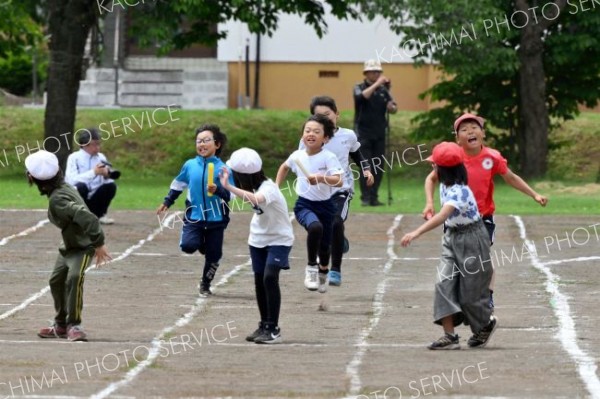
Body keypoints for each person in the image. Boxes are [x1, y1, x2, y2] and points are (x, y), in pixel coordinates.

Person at [422, 113, 548, 310]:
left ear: (483, 133)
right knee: (457, 261)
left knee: (483, 258)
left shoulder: (492, 157)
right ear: (457, 138)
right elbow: (431, 178)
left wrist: (534, 194)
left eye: (474, 127)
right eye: (463, 130)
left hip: (482, 219)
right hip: (455, 221)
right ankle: (458, 296)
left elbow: (511, 178)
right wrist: (429, 203)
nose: (470, 131)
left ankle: (487, 295)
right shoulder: (454, 158)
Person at [401, 142, 496, 350]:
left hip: (472, 239)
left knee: (470, 294)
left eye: (434, 165)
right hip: (452, 237)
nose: (432, 168)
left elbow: (443, 216)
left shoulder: (459, 192)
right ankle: (450, 336)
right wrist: (429, 203)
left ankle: (485, 324)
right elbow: (430, 180)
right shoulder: (444, 180)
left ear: (444, 169)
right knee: (442, 283)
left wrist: (416, 232)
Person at [26, 150, 112, 342]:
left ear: (32, 177)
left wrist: (98, 243)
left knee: (74, 277)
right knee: (56, 281)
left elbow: (87, 217)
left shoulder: (58, 198)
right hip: (68, 246)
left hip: (83, 247)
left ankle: (74, 324)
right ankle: (60, 324)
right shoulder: (60, 187)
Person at [219, 148, 294, 344]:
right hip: (257, 240)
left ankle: (273, 328)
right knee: (259, 281)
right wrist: (221, 188)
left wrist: (228, 186)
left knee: (270, 277)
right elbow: (237, 197)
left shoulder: (268, 187)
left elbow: (258, 200)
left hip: (279, 239)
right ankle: (264, 325)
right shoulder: (250, 187)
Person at [301, 95, 374, 286]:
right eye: (319, 116)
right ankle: (337, 241)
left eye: (328, 114)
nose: (325, 118)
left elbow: (357, 154)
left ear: (337, 115)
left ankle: (335, 270)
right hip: (317, 192)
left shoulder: (347, 136)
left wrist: (366, 170)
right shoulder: (308, 139)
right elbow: (300, 161)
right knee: (321, 228)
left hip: (341, 188)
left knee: (335, 221)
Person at [156, 124, 234, 297]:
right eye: (199, 141)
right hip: (194, 216)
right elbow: (178, 184)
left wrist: (219, 190)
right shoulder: (190, 165)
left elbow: (232, 195)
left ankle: (205, 284)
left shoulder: (224, 169)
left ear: (217, 144)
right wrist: (167, 201)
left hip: (217, 218)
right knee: (188, 246)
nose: (202, 144)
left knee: (214, 256)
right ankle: (201, 243)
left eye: (207, 140)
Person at [276, 114, 343, 293]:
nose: (311, 134)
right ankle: (311, 268)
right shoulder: (297, 155)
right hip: (304, 205)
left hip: (327, 206)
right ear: (302, 135)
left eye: (316, 131)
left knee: (325, 247)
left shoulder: (328, 157)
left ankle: (323, 270)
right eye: (307, 130)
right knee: (315, 228)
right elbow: (284, 167)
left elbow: (339, 181)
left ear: (326, 138)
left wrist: (321, 178)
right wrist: (276, 187)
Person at [353, 59, 398, 206]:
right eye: (373, 72)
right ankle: (365, 197)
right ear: (366, 73)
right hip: (363, 133)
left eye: (378, 72)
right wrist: (377, 84)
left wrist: (392, 107)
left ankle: (374, 197)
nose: (376, 74)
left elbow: (394, 107)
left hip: (379, 133)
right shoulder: (358, 87)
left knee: (378, 165)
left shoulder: (384, 91)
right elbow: (362, 97)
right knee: (366, 165)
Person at [65, 128, 118, 225]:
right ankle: (77, 216)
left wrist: (106, 175)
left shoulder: (101, 157)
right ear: (85, 144)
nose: (98, 147)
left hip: (94, 197)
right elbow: (71, 181)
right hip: (79, 197)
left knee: (111, 186)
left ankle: (100, 214)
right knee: (81, 187)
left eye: (99, 144)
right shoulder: (74, 157)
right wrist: (93, 172)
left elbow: (105, 181)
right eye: (95, 144)